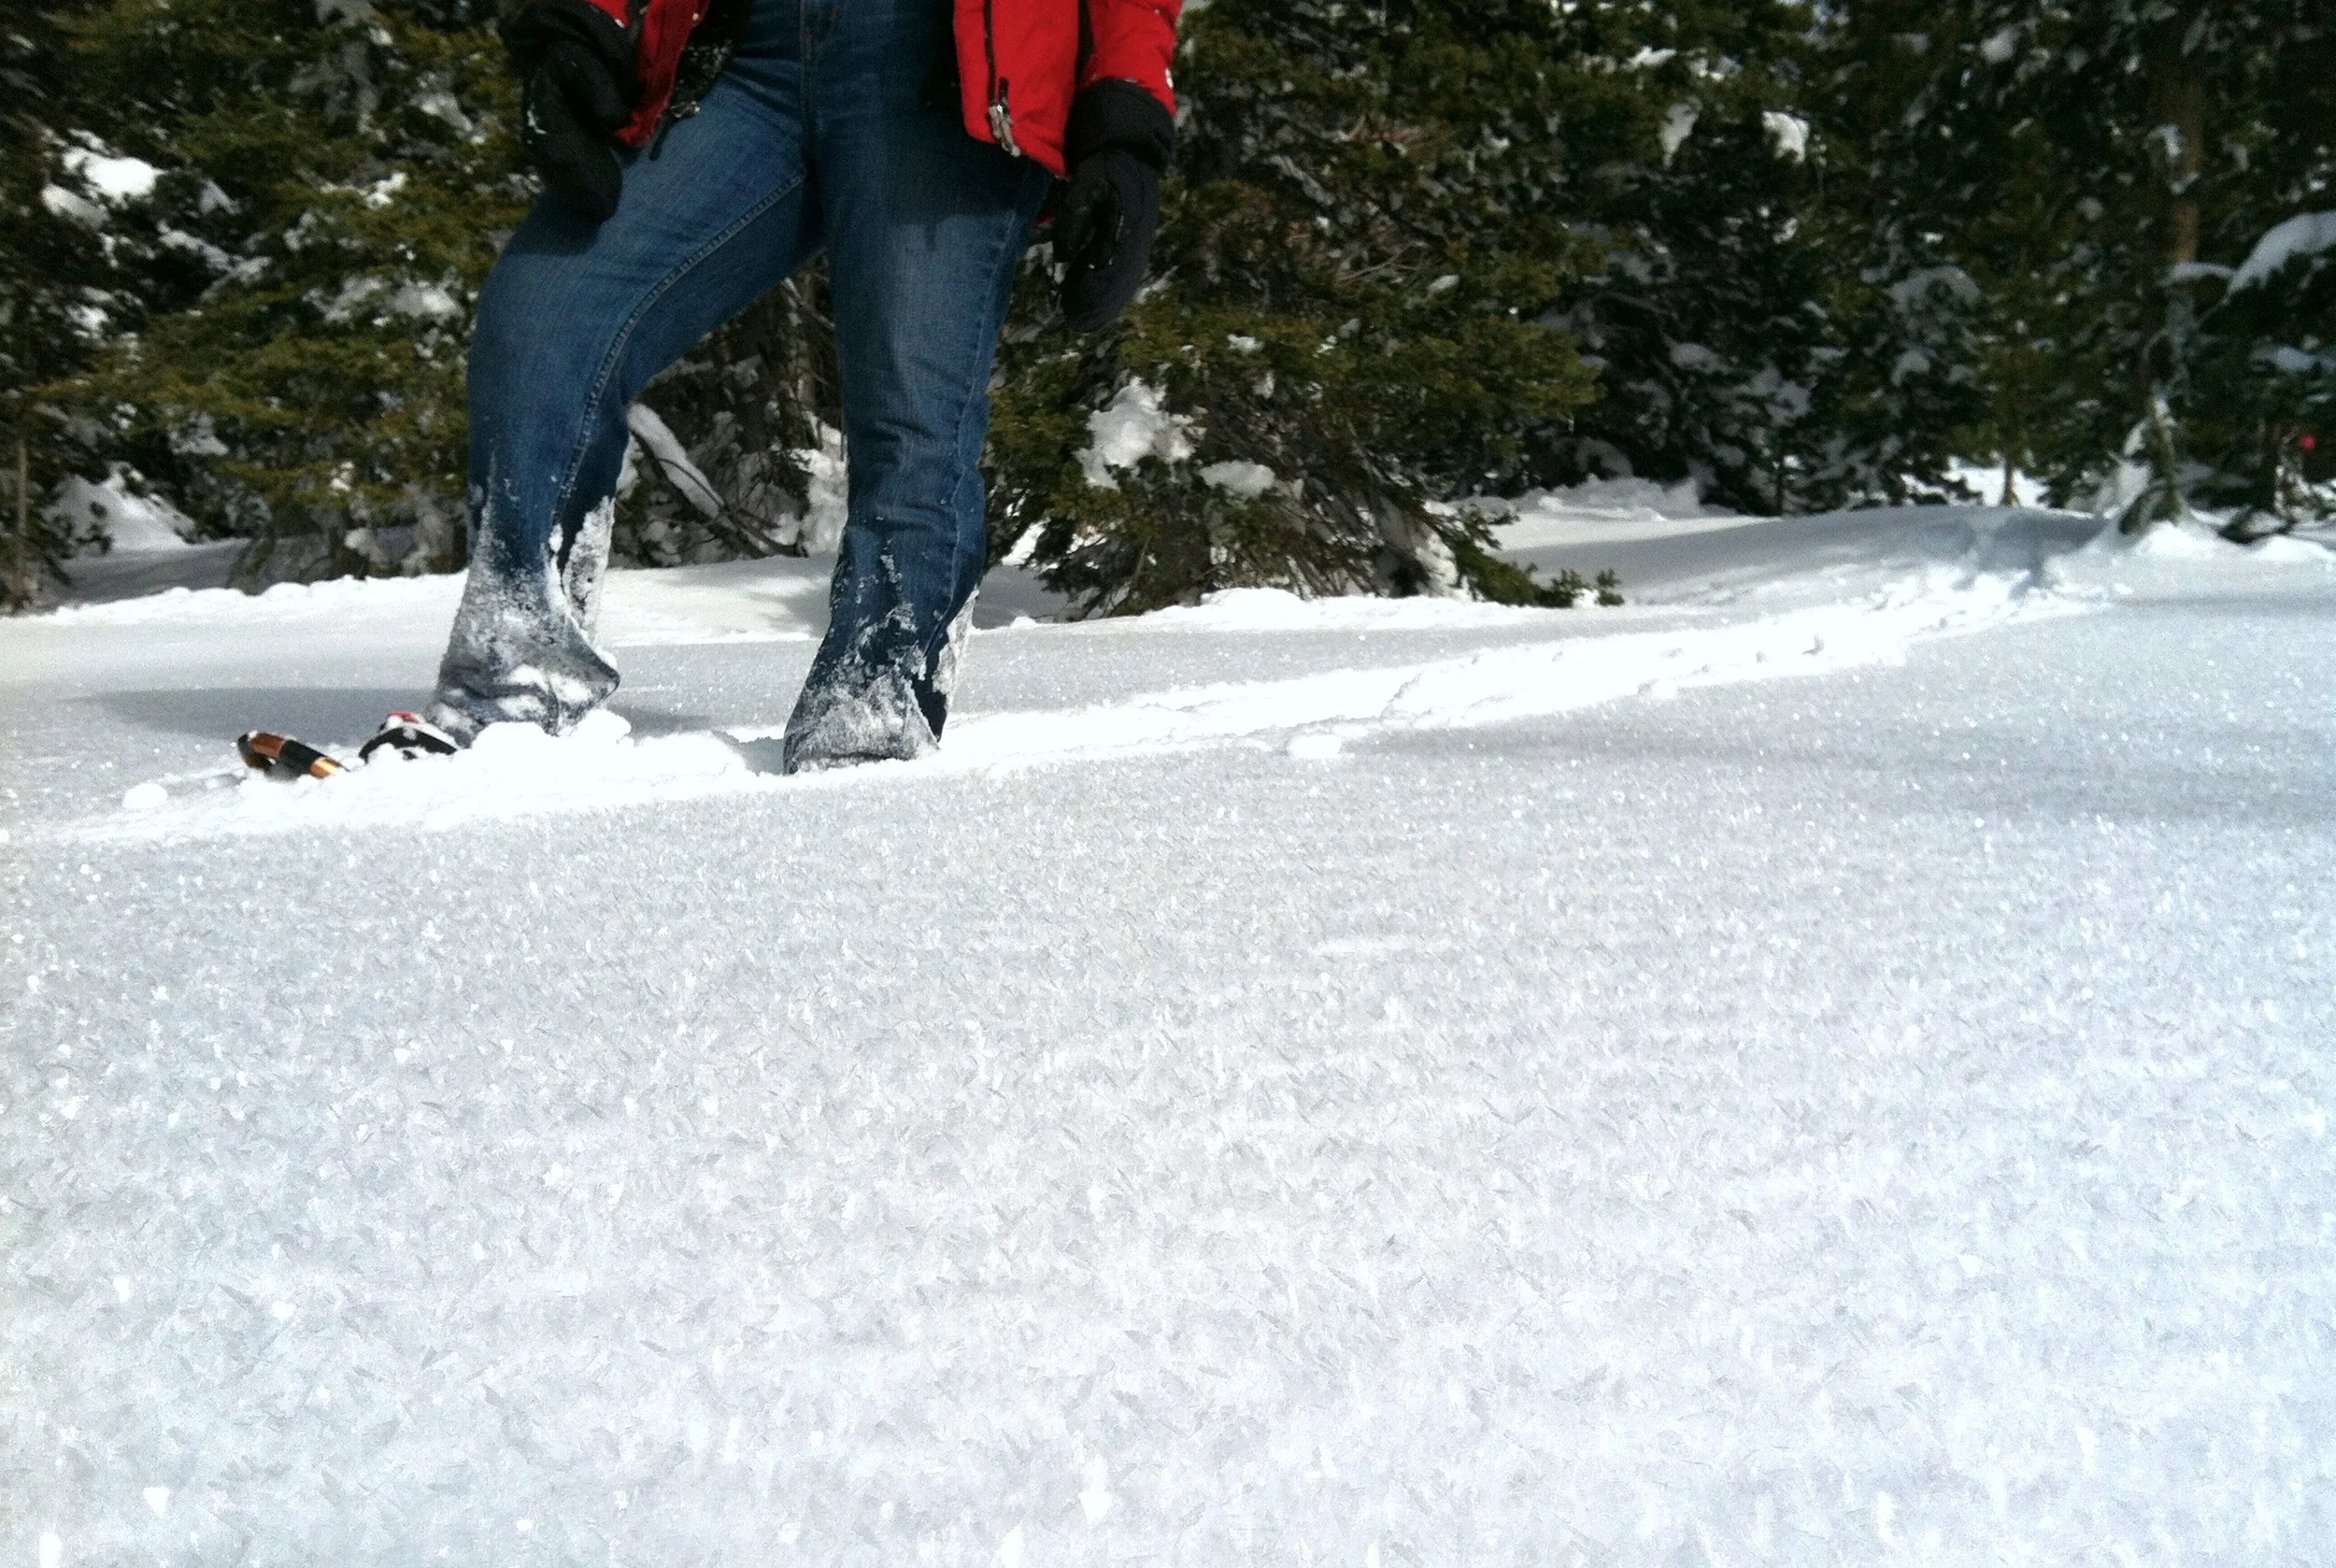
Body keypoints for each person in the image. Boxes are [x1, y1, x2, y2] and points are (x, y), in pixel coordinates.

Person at [401, 0, 1181, 773]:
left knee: (913, 425)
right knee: (547, 314)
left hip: (945, 66)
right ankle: (514, 694)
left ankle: (868, 727)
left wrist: (1126, 113)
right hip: (743, 55)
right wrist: (584, 19)